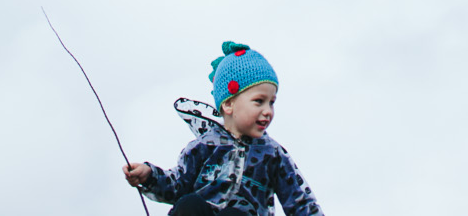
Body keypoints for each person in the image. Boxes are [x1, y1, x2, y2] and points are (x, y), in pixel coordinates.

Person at [126, 41, 325, 215]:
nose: (268, 111)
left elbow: (300, 202)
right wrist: (149, 176)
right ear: (228, 104)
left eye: (271, 102)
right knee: (189, 203)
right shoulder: (204, 146)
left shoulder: (272, 154)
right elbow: (176, 185)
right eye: (259, 102)